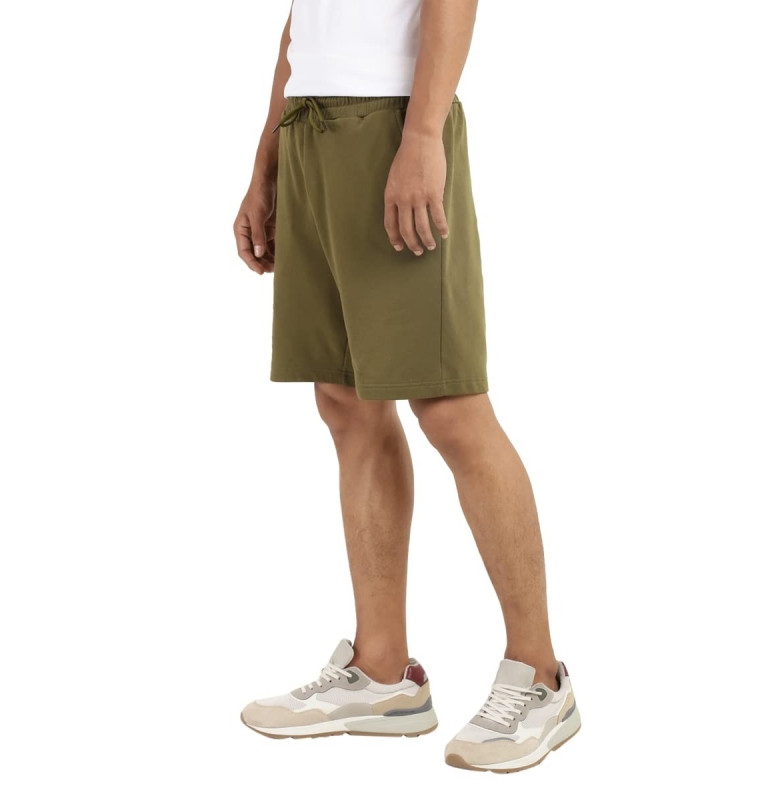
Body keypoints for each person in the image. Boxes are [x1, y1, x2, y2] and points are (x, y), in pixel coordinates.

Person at [234, 0, 580, 773]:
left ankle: (541, 676)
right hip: (311, 125)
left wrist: (422, 135)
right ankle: (383, 674)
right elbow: (301, 20)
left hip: (393, 120)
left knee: (449, 405)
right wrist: (267, 162)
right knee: (345, 403)